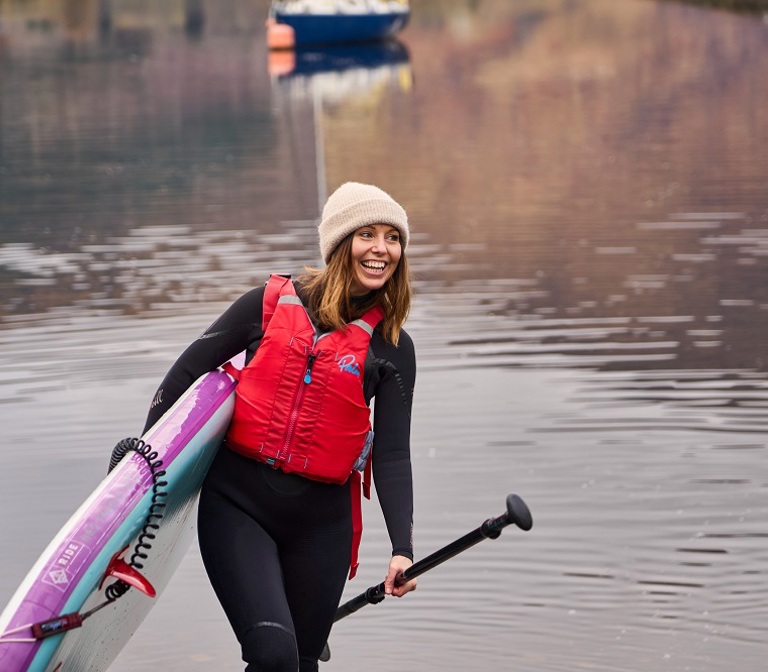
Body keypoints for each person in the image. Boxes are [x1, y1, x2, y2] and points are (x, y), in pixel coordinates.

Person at [142, 182, 417, 671]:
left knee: (301, 663)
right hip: (239, 506)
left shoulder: (393, 347)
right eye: (368, 235)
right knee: (272, 654)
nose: (382, 249)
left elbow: (393, 454)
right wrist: (142, 468)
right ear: (339, 244)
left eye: (393, 238)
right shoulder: (268, 304)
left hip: (323, 526)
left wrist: (401, 548)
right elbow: (182, 377)